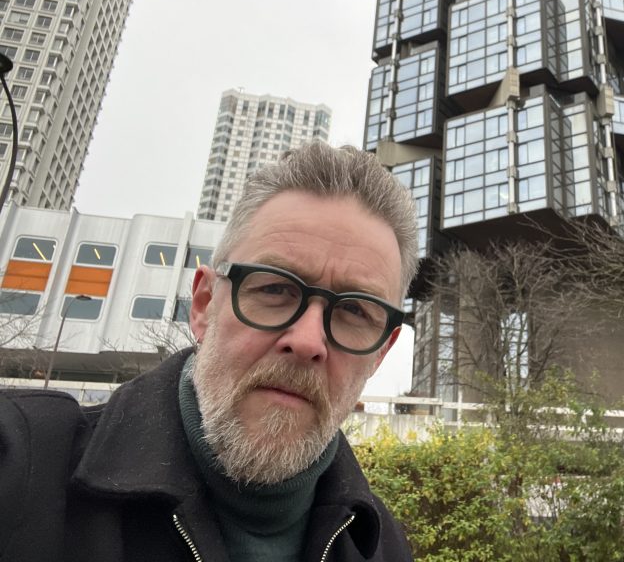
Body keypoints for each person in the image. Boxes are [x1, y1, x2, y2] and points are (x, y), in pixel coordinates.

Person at [0, 142, 417, 561]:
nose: (308, 341)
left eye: (353, 311)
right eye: (274, 288)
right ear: (203, 304)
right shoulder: (21, 464)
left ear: (380, 353)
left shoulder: (382, 546)